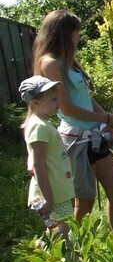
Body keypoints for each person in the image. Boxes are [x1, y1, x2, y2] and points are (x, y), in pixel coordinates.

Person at [34, 10, 113, 232]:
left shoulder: (70, 61)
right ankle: (65, 243)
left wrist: (108, 121)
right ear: (64, 33)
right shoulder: (50, 63)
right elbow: (67, 108)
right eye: (76, 32)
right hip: (77, 140)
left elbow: (85, 98)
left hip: (95, 135)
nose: (78, 37)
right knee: (85, 202)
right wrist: (106, 118)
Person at [20, 75, 75, 239]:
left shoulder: (41, 123)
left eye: (57, 98)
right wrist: (49, 199)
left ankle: (56, 255)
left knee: (57, 230)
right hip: (51, 194)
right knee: (62, 232)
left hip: (56, 191)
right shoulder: (39, 126)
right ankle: (66, 261)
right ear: (35, 103)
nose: (58, 103)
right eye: (52, 100)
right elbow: (38, 165)